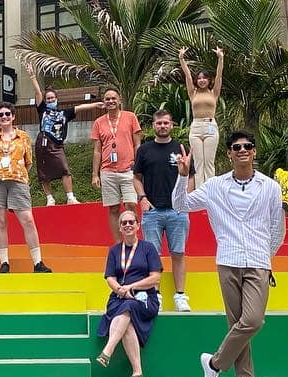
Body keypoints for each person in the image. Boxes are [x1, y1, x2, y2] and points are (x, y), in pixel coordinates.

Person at [173, 128, 285, 377]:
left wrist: (265, 256)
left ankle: (214, 364)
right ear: (229, 153)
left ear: (254, 152)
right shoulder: (215, 186)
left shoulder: (270, 187)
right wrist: (183, 175)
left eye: (248, 146)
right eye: (237, 147)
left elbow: (277, 228)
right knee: (236, 322)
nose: (243, 150)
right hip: (228, 260)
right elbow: (181, 204)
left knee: (253, 320)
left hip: (258, 262)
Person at [0, 103, 52, 274]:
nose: (4, 117)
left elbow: (29, 162)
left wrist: (18, 175)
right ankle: (4, 262)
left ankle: (38, 262)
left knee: (27, 220)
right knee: (1, 222)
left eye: (7, 114)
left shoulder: (23, 136)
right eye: (1, 115)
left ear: (13, 116)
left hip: (17, 180)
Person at [95, 210, 163, 377]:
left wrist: (131, 288)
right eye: (124, 223)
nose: (127, 225)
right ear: (119, 228)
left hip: (145, 298)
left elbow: (155, 278)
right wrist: (119, 289)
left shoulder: (148, 248)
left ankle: (108, 350)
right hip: (118, 297)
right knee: (127, 320)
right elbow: (110, 277)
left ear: (138, 225)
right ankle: (137, 372)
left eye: (131, 222)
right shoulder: (114, 251)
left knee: (129, 307)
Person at [133, 107, 191, 312]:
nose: (163, 126)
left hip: (177, 211)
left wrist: (185, 200)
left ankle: (180, 295)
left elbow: (190, 176)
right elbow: (136, 177)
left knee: (178, 253)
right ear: (153, 126)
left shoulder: (181, 149)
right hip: (152, 211)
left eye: (166, 122)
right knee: (153, 255)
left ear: (172, 125)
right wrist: (142, 198)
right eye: (159, 123)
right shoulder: (145, 150)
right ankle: (154, 295)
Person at [25, 63, 102, 206]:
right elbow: (37, 93)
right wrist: (33, 76)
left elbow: (79, 108)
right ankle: (50, 198)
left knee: (64, 169)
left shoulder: (64, 113)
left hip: (57, 144)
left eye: (52, 98)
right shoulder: (42, 110)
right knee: (43, 173)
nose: (50, 100)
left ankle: (70, 197)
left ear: (56, 99)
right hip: (43, 142)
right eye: (48, 99)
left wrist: (95, 105)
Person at [90, 87, 143, 242]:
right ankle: (119, 244)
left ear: (119, 100)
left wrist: (139, 167)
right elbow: (97, 151)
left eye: (113, 98)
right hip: (108, 171)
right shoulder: (98, 122)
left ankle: (133, 240)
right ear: (104, 102)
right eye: (107, 99)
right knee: (113, 209)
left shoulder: (130, 117)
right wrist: (95, 174)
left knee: (131, 205)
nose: (110, 101)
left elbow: (137, 144)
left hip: (129, 169)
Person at [178, 46, 224, 184]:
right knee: (198, 163)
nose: (202, 80)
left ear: (208, 80)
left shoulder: (213, 93)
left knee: (209, 163)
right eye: (199, 78)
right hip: (196, 127)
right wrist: (181, 58)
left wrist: (221, 58)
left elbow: (219, 75)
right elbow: (187, 75)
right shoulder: (193, 93)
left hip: (210, 126)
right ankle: (200, 193)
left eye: (204, 78)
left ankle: (210, 192)